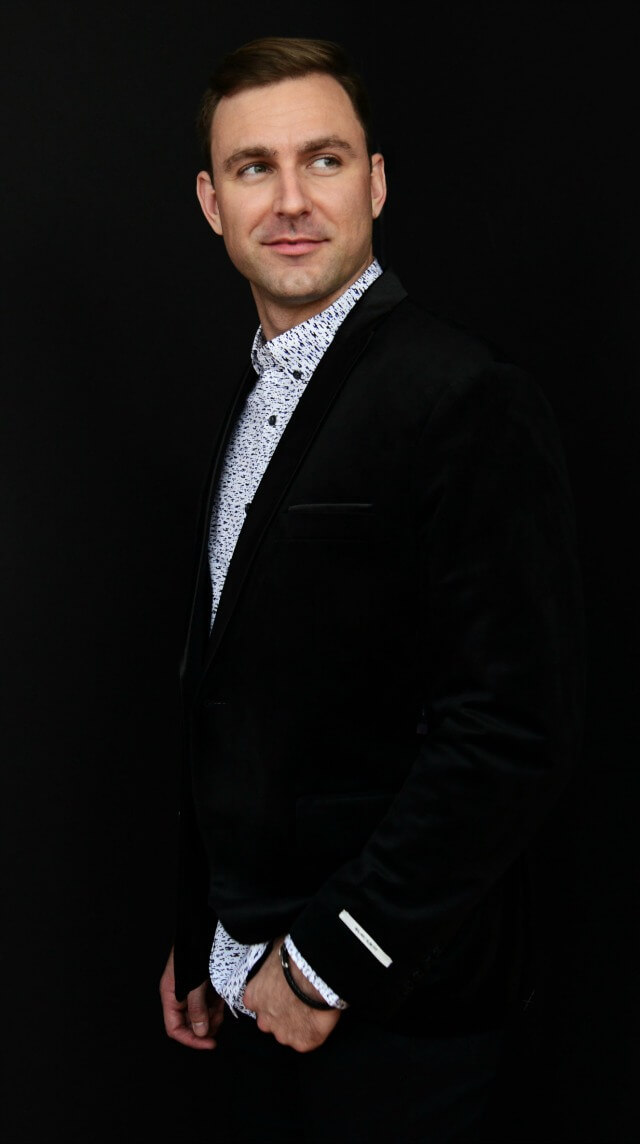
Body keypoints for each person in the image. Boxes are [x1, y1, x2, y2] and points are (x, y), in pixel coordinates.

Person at [159, 35, 585, 1143]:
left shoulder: (465, 395)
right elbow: (239, 690)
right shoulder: (253, 392)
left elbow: (512, 731)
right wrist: (204, 928)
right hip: (246, 973)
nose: (291, 200)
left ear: (377, 181)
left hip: (393, 1004)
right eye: (254, 168)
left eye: (325, 159)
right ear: (212, 203)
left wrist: (322, 965)